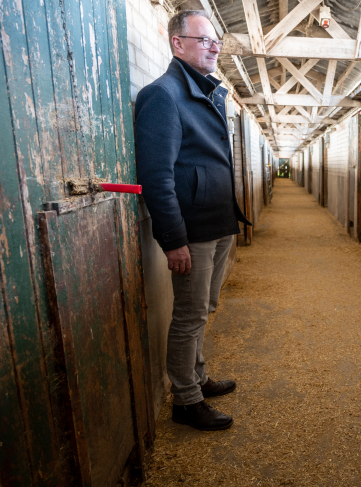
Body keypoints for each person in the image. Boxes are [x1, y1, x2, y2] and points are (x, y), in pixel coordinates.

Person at [135, 10, 250, 431]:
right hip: (193, 230)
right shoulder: (163, 95)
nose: (214, 46)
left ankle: (198, 377)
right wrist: (173, 239)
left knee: (205, 307)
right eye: (204, 40)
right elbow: (156, 175)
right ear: (177, 43)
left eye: (216, 40)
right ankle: (185, 399)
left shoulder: (202, 91)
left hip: (218, 222)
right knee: (189, 315)